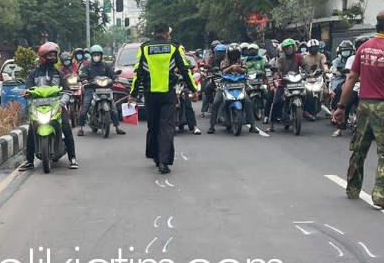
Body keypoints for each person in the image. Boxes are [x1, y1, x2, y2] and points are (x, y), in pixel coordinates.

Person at [331, 8, 384, 209]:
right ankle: (381, 196)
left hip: (364, 105)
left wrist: (341, 106)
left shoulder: (364, 47)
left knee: (359, 149)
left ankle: (352, 189)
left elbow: (351, 78)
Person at [131, 23, 198, 174]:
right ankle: (164, 162)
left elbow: (138, 72)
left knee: (153, 125)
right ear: (167, 34)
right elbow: (185, 69)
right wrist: (193, 89)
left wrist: (133, 94)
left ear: (154, 33)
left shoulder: (144, 48)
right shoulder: (174, 48)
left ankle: (155, 156)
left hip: (150, 94)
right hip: (168, 94)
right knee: (167, 127)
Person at [18, 42, 78, 171]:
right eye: (50, 55)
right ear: (42, 56)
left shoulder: (59, 74)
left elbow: (67, 92)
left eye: (54, 55)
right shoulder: (33, 74)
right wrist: (25, 93)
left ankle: (72, 158)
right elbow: (28, 90)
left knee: (66, 128)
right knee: (31, 131)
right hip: (38, 107)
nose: (53, 57)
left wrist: (62, 104)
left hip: (57, 106)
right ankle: (29, 161)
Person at [77, 45, 126, 136]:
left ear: (101, 55)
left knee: (113, 107)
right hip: (91, 88)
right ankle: (81, 128)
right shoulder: (88, 66)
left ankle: (117, 127)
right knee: (85, 106)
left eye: (98, 55)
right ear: (92, 56)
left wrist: (115, 78)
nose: (96, 56)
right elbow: (83, 74)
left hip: (105, 88)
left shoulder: (105, 65)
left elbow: (112, 73)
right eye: (95, 55)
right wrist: (84, 79)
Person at [208, 44, 257, 134]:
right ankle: (212, 126)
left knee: (248, 102)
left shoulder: (242, 61)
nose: (234, 55)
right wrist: (231, 68)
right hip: (224, 85)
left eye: (236, 53)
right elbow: (223, 71)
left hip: (239, 85)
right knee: (216, 102)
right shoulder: (224, 61)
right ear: (228, 54)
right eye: (232, 53)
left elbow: (245, 70)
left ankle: (252, 125)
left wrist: (238, 69)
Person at [267, 38, 304, 132]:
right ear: (284, 49)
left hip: (297, 82)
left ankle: (307, 112)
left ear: (294, 47)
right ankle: (271, 124)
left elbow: (306, 66)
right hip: (284, 83)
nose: (289, 49)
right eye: (287, 48)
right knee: (276, 102)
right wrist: (277, 74)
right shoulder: (281, 59)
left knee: (308, 93)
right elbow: (278, 68)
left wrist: (310, 72)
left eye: (290, 47)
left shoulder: (299, 57)